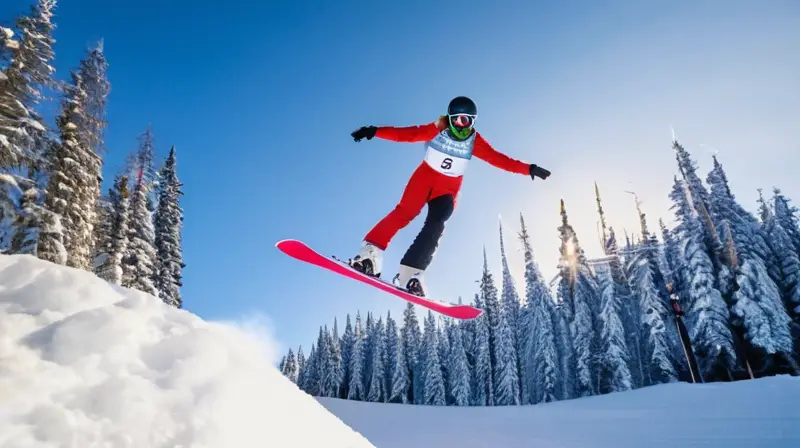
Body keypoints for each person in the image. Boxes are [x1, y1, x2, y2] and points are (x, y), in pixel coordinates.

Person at [348, 96, 551, 297]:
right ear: (449, 118)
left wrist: (529, 169)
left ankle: (411, 273)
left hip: (447, 190)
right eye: (457, 119)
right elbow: (408, 134)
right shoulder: (437, 129)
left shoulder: (475, 141)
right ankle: (370, 257)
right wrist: (375, 131)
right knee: (405, 212)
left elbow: (499, 159)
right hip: (423, 180)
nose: (461, 125)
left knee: (438, 223)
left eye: (467, 121)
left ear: (473, 121)